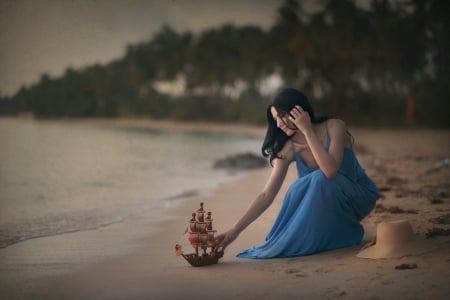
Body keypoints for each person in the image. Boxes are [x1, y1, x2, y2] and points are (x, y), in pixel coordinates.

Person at [215, 88, 380, 258]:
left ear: (298, 112)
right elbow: (266, 195)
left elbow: (330, 172)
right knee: (297, 188)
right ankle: (322, 236)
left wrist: (307, 131)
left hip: (358, 196)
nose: (278, 124)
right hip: (328, 206)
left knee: (318, 178)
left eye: (280, 116)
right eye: (275, 119)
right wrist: (235, 230)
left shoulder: (334, 127)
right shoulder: (288, 148)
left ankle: (341, 232)